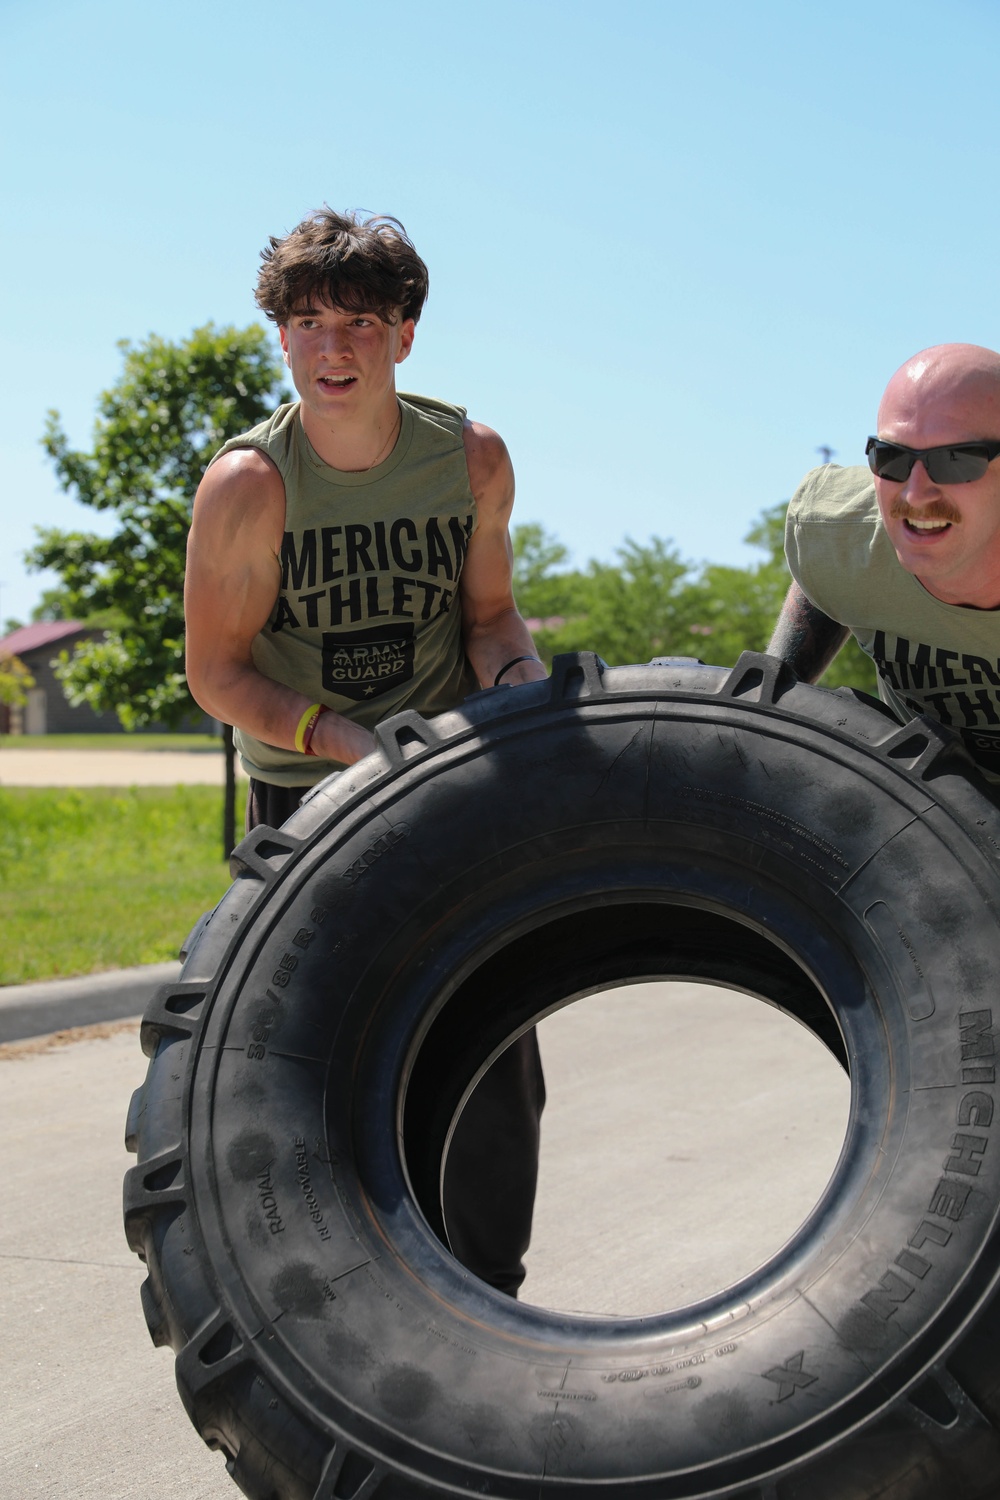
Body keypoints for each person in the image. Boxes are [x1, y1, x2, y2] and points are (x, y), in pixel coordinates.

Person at [184, 208, 548, 1294]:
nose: (330, 345)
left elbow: (490, 619)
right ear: (281, 339)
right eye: (305, 322)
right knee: (305, 1069)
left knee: (491, 1059)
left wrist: (524, 690)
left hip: (446, 779)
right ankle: (330, 1303)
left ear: (405, 332)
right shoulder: (250, 484)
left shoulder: (468, 458)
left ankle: (490, 1298)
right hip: (304, 803)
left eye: (357, 319)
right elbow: (219, 674)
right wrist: (350, 743)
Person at [769, 343, 1000, 782]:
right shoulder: (841, 530)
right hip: (920, 805)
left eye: (954, 461)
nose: (914, 494)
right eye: (891, 458)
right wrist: (770, 717)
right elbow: (838, 555)